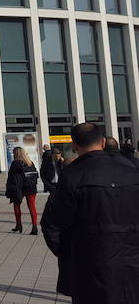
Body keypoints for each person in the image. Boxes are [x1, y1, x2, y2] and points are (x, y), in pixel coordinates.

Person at [41, 122, 139, 302]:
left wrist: (70, 254)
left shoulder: (72, 176)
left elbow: (52, 224)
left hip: (91, 264)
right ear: (102, 142)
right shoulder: (132, 170)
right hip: (132, 262)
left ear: (74, 146)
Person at [5, 147, 39, 235]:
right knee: (32, 207)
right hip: (31, 187)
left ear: (15, 154)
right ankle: (34, 227)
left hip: (19, 188)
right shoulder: (30, 162)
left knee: (17, 206)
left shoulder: (15, 163)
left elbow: (11, 177)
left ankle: (19, 225)